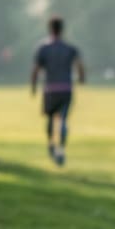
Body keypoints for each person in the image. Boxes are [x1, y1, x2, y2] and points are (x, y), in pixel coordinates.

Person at [30, 16, 85, 166]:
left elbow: (36, 70)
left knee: (50, 118)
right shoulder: (70, 49)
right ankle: (60, 149)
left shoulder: (43, 48)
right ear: (62, 29)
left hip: (50, 90)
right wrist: (81, 79)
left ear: (50, 28)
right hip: (66, 89)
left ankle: (50, 144)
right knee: (63, 119)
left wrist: (34, 86)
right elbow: (79, 66)